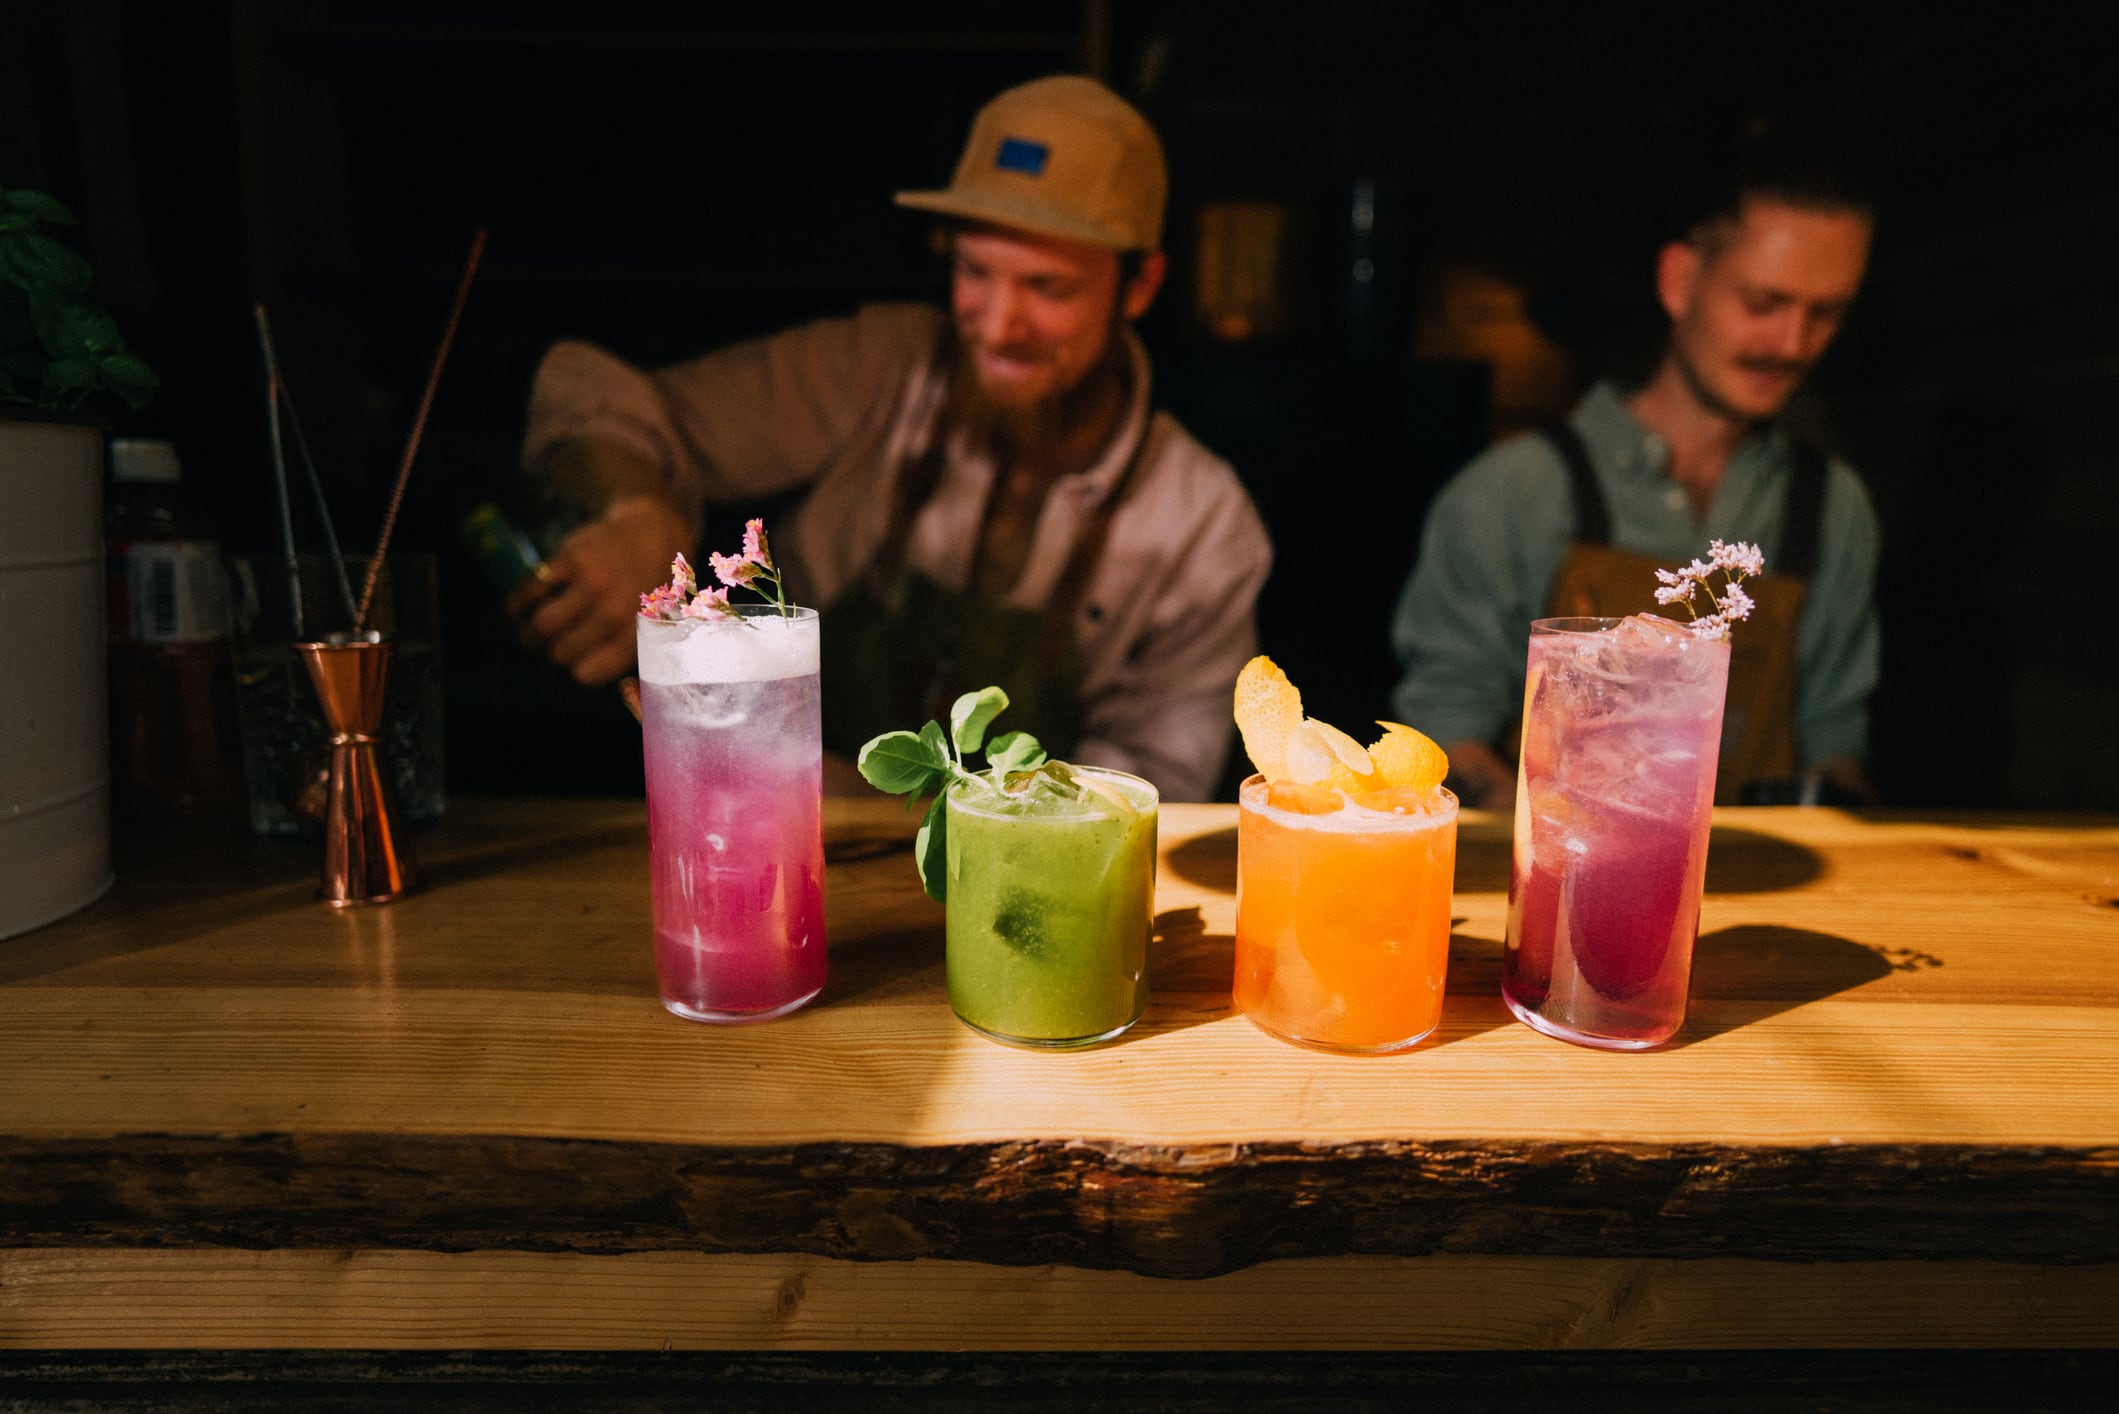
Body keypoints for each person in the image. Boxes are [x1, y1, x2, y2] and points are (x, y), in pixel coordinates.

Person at [511, 75, 1270, 802]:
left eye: (1048, 287)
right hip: (774, 836)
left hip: (1024, 891)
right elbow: (592, 389)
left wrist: (891, 802)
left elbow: (1149, 793)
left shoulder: (1203, 526)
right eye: (975, 271)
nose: (998, 325)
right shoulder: (880, 366)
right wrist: (638, 510)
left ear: (1140, 286)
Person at [1388, 137, 1883, 809]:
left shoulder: (1831, 504)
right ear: (1679, 281)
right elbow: (1445, 732)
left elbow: (1834, 739)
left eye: (1824, 313)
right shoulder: (1509, 493)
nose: (1791, 345)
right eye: (1763, 304)